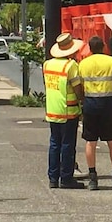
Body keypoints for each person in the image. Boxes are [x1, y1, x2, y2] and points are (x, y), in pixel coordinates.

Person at [78, 35, 112, 191]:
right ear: (104, 46)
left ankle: (93, 179)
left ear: (90, 49)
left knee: (90, 142)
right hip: (107, 103)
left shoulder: (83, 64)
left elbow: (79, 85)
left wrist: (83, 100)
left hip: (90, 103)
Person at [44, 33, 85, 189]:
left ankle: (53, 178)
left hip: (52, 109)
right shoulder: (71, 66)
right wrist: (83, 101)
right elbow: (77, 89)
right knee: (67, 145)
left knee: (54, 144)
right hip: (68, 111)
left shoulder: (47, 64)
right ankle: (66, 178)